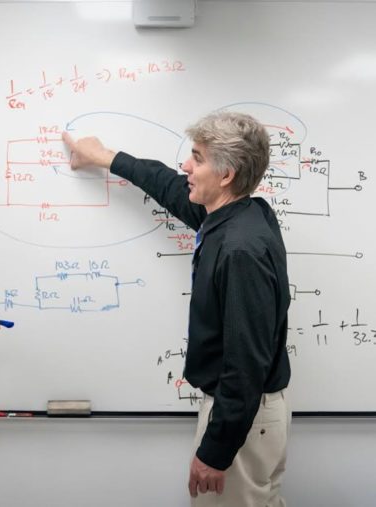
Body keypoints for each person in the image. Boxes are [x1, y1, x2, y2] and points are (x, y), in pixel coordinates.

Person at [63, 111, 291, 506]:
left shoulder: (240, 250)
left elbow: (245, 363)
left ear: (226, 175)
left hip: (242, 417)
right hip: (250, 417)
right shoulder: (240, 214)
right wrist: (105, 156)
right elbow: (167, 185)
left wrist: (215, 453)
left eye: (198, 158)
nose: (185, 165)